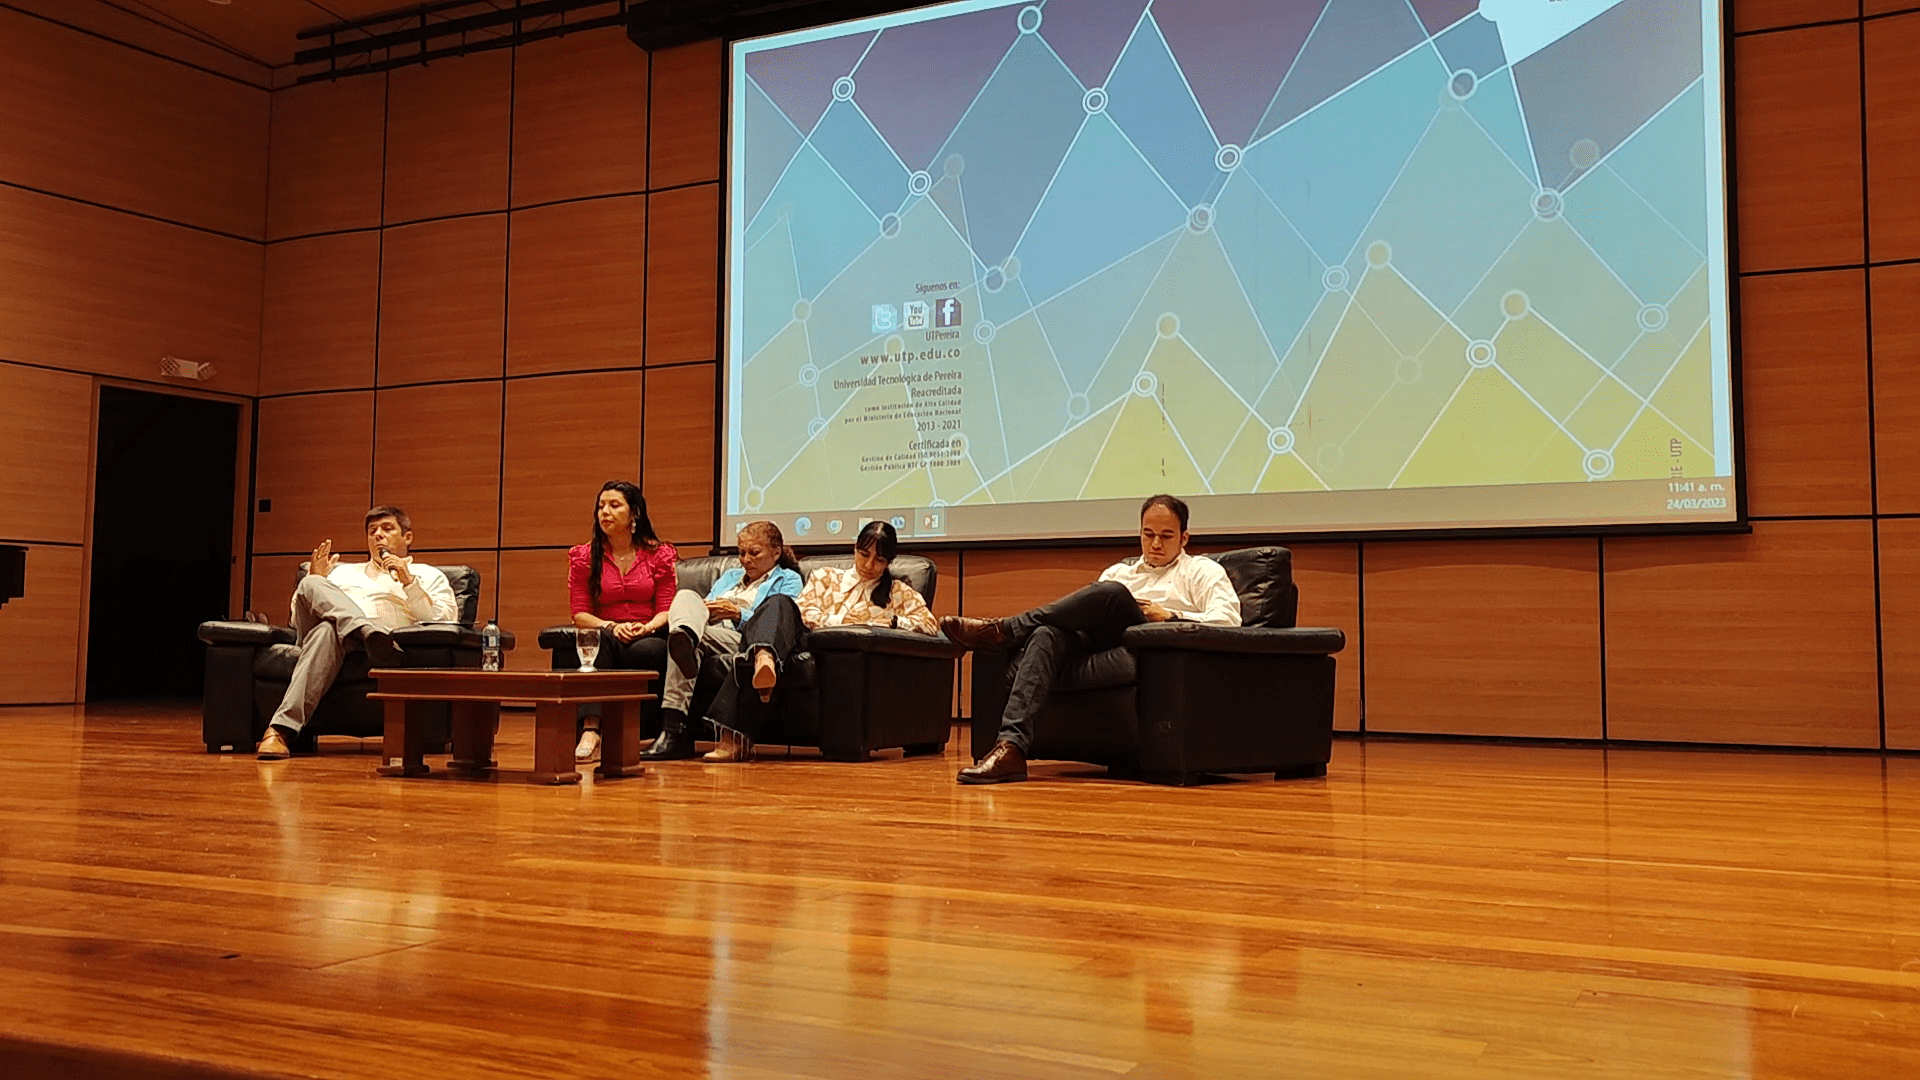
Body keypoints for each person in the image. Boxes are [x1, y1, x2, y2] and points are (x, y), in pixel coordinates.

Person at [941, 494, 1240, 784]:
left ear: (1184, 538)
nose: (1155, 544)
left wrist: (1171, 617)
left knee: (1113, 593)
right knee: (1047, 634)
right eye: (1148, 534)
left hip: (1144, 645)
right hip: (1098, 641)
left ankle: (1005, 630)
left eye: (1166, 536)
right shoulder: (1120, 571)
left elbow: (1229, 619)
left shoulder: (1202, 572)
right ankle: (1011, 748)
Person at [702, 520, 939, 763]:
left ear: (889, 561)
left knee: (762, 648)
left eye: (878, 560)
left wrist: (891, 621)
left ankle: (736, 729)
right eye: (863, 554)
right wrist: (841, 620)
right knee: (780, 602)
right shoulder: (826, 577)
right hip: (801, 642)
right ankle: (764, 656)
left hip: (831, 656)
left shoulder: (898, 592)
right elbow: (803, 612)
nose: (869, 565)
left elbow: (930, 625)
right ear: (854, 549)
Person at [256, 506, 458, 760]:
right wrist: (316, 579)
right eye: (372, 531)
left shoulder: (428, 575)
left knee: (326, 632)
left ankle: (279, 732)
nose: (378, 535)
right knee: (310, 584)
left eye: (387, 528)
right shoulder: (341, 572)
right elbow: (297, 622)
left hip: (372, 640)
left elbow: (444, 621)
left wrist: (410, 584)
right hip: (367, 641)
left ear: (407, 537)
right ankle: (364, 630)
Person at [639, 520, 805, 761]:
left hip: (743, 638)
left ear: (776, 552)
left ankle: (675, 730)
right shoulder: (730, 576)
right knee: (686, 597)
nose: (746, 560)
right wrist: (703, 611)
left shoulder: (788, 579)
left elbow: (779, 620)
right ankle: (685, 639)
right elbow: (704, 605)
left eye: (754, 553)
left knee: (687, 639)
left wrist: (737, 613)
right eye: (741, 553)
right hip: (710, 631)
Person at [566, 481, 676, 762]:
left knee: (650, 650)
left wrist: (647, 627)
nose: (605, 512)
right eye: (601, 506)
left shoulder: (659, 555)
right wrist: (611, 626)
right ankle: (591, 730)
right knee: (597, 640)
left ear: (634, 513)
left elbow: (666, 609)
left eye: (614, 505)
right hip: (607, 632)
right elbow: (580, 614)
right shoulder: (583, 557)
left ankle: (634, 733)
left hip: (648, 632)